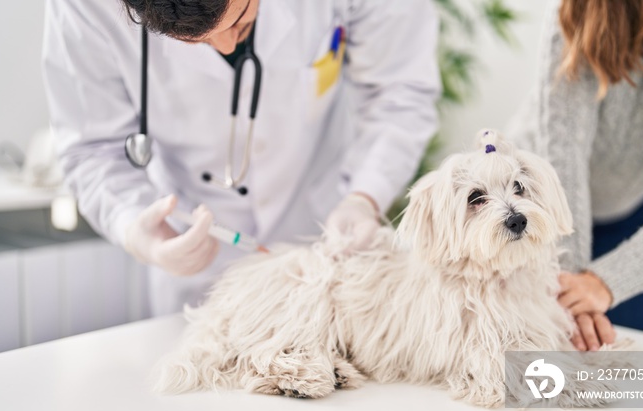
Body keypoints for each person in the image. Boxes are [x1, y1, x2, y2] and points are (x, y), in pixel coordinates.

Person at [42, 0, 440, 315]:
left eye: (240, 21)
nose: (227, 45)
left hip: (320, 242)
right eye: (194, 40)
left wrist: (364, 196)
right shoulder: (84, 8)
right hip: (198, 276)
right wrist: (136, 230)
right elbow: (92, 148)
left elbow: (400, 93)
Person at [509, 0, 643, 350]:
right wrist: (572, 287)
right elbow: (564, 154)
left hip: (631, 221)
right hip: (530, 210)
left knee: (617, 388)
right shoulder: (591, 6)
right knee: (516, 380)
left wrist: (605, 282)